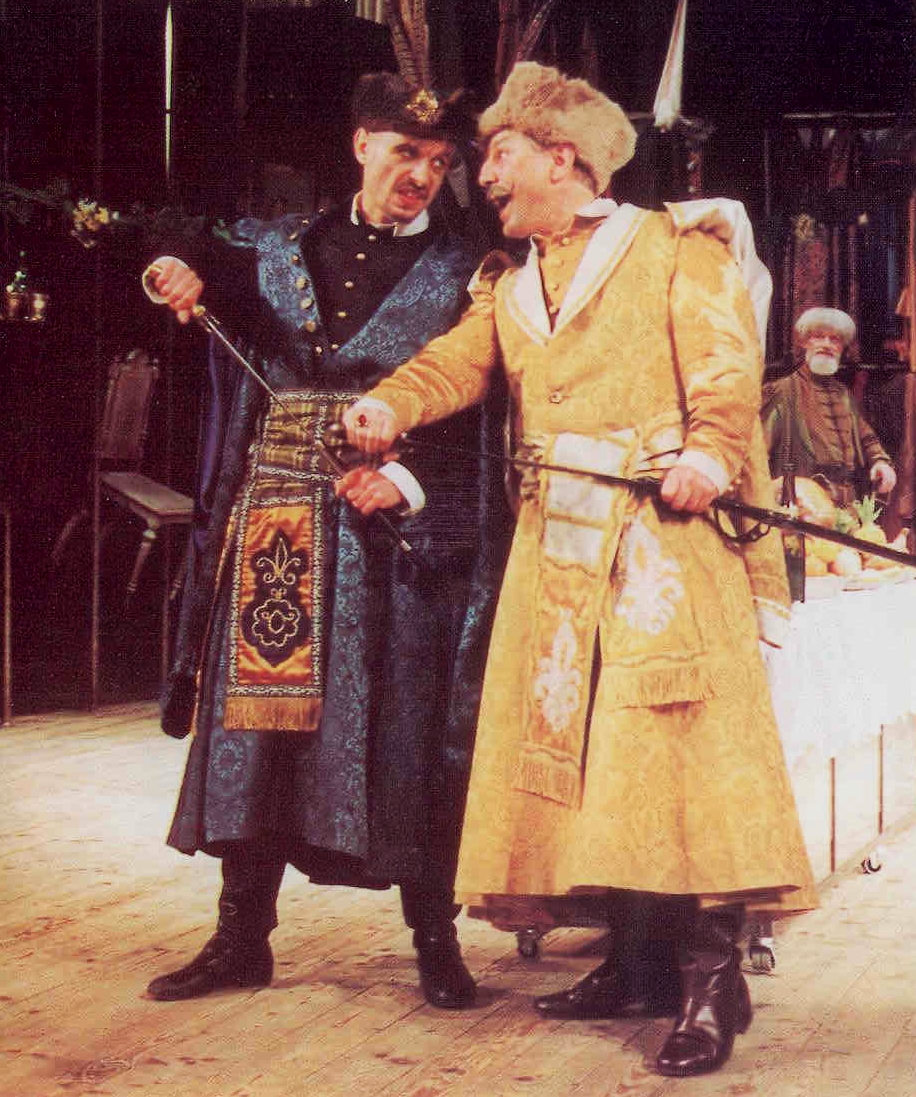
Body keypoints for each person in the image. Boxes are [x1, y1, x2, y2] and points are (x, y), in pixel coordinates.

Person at [340, 61, 818, 1077]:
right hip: (555, 556)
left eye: (499, 154)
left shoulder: (672, 247)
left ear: (561, 159)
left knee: (673, 758)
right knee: (593, 758)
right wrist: (390, 402)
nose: (483, 175)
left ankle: (707, 980)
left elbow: (727, 365)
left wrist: (706, 454)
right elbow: (457, 362)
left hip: (661, 543)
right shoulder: (512, 283)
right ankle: (635, 960)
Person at [143, 72, 512, 1010]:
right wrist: (174, 267)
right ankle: (241, 938)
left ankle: (435, 939)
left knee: (409, 730)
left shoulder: (476, 272)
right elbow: (179, 238)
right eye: (405, 154)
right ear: (361, 146)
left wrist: (409, 477)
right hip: (276, 523)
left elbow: (487, 415)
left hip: (398, 535)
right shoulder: (280, 245)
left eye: (440, 162)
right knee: (258, 731)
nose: (420, 176)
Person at [761, 306, 896, 505]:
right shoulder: (782, 391)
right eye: (818, 337)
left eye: (835, 339)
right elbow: (759, 450)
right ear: (804, 342)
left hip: (848, 502)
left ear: (842, 348)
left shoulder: (844, 394)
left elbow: (866, 437)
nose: (827, 344)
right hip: (802, 502)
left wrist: (880, 462)